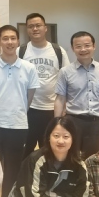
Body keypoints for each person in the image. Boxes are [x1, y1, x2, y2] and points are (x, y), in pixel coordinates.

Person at [0, 25, 39, 197]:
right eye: (5, 38)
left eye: (13, 38)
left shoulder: (29, 68)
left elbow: (29, 97)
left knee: (13, 168)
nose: (9, 42)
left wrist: (17, 111)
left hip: (18, 125)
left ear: (18, 41)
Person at [55, 31, 99, 158]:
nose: (83, 49)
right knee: (70, 155)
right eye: (78, 46)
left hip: (97, 122)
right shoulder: (65, 72)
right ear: (73, 48)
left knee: (94, 157)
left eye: (87, 45)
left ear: (94, 46)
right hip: (73, 121)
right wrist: (57, 122)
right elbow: (60, 98)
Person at [20, 13, 70, 154]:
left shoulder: (58, 51)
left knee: (49, 149)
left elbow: (67, 79)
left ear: (45, 28)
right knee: (25, 150)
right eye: (31, 26)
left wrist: (65, 106)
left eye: (38, 25)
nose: (35, 29)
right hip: (28, 109)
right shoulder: (21, 51)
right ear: (27, 30)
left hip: (51, 109)